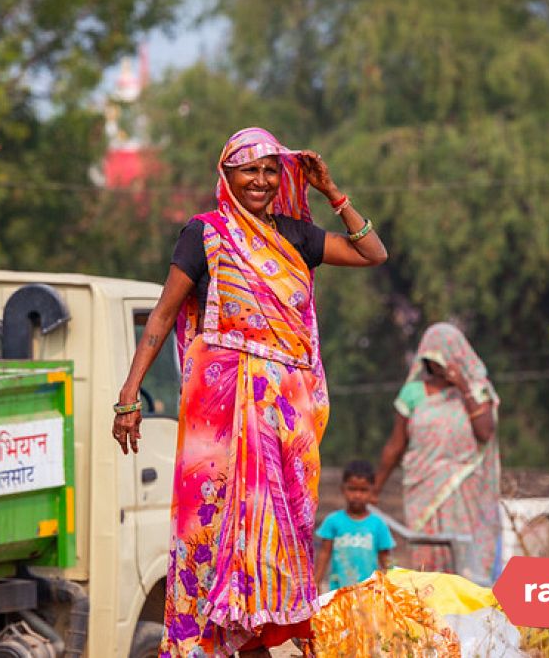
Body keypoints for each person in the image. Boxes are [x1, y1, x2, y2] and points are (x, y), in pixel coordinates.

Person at [113, 127, 388, 657]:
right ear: (227, 175)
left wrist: (332, 192)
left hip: (285, 416)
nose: (260, 180)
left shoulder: (297, 236)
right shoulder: (204, 234)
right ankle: (208, 642)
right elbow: (165, 313)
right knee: (210, 529)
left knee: (278, 532)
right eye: (248, 169)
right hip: (216, 410)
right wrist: (130, 394)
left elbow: (373, 252)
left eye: (269, 169)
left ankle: (255, 643)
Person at [372, 322, 501, 585]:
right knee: (427, 561)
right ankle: (429, 618)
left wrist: (463, 386)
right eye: (432, 359)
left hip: (463, 487)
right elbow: (395, 445)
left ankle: (469, 618)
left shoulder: (476, 390)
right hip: (423, 489)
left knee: (465, 562)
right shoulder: (413, 393)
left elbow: (485, 432)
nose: (438, 365)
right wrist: (374, 489)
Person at [314, 460, 395, 592]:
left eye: (363, 490)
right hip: (338, 593)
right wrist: (316, 582)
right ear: (343, 489)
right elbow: (324, 554)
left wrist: (393, 586)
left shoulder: (379, 525)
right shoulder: (332, 521)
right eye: (352, 489)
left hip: (369, 593)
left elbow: (386, 560)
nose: (357, 495)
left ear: (372, 491)